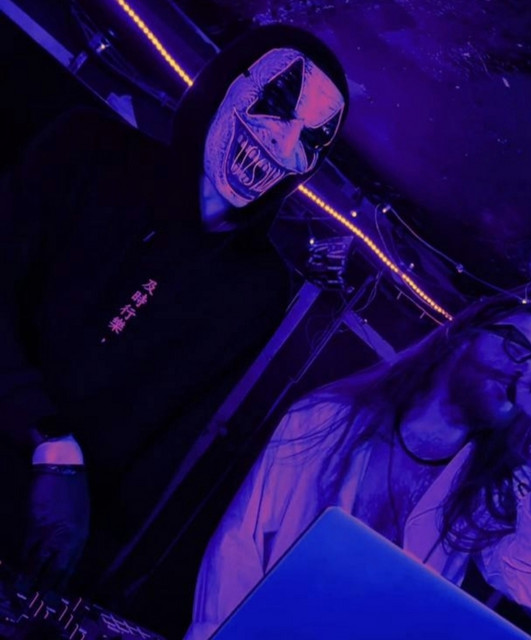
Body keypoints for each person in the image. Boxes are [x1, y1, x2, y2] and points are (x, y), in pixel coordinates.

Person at [0, 24, 349, 594]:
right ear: (224, 83)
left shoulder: (260, 287)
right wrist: (50, 439)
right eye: (277, 103)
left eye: (312, 140)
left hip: (36, 540)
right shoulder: (89, 149)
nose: (284, 144)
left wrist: (94, 568)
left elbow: (169, 441)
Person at [185, 301, 531, 639]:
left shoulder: (488, 493)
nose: (525, 372)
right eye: (517, 346)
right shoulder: (324, 418)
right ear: (462, 336)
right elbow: (240, 542)